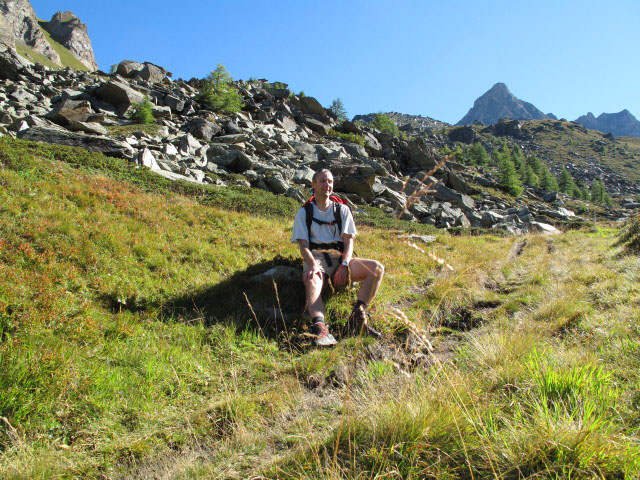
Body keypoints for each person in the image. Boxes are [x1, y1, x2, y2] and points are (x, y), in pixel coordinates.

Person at [291, 168, 385, 346]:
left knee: (376, 268)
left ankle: (357, 318)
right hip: (316, 258)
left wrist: (344, 264)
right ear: (313, 185)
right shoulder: (304, 212)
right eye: (322, 181)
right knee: (312, 280)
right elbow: (303, 245)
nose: (327, 185)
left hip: (340, 258)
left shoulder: (342, 210)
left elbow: (348, 242)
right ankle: (320, 327)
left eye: (330, 182)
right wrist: (311, 265)